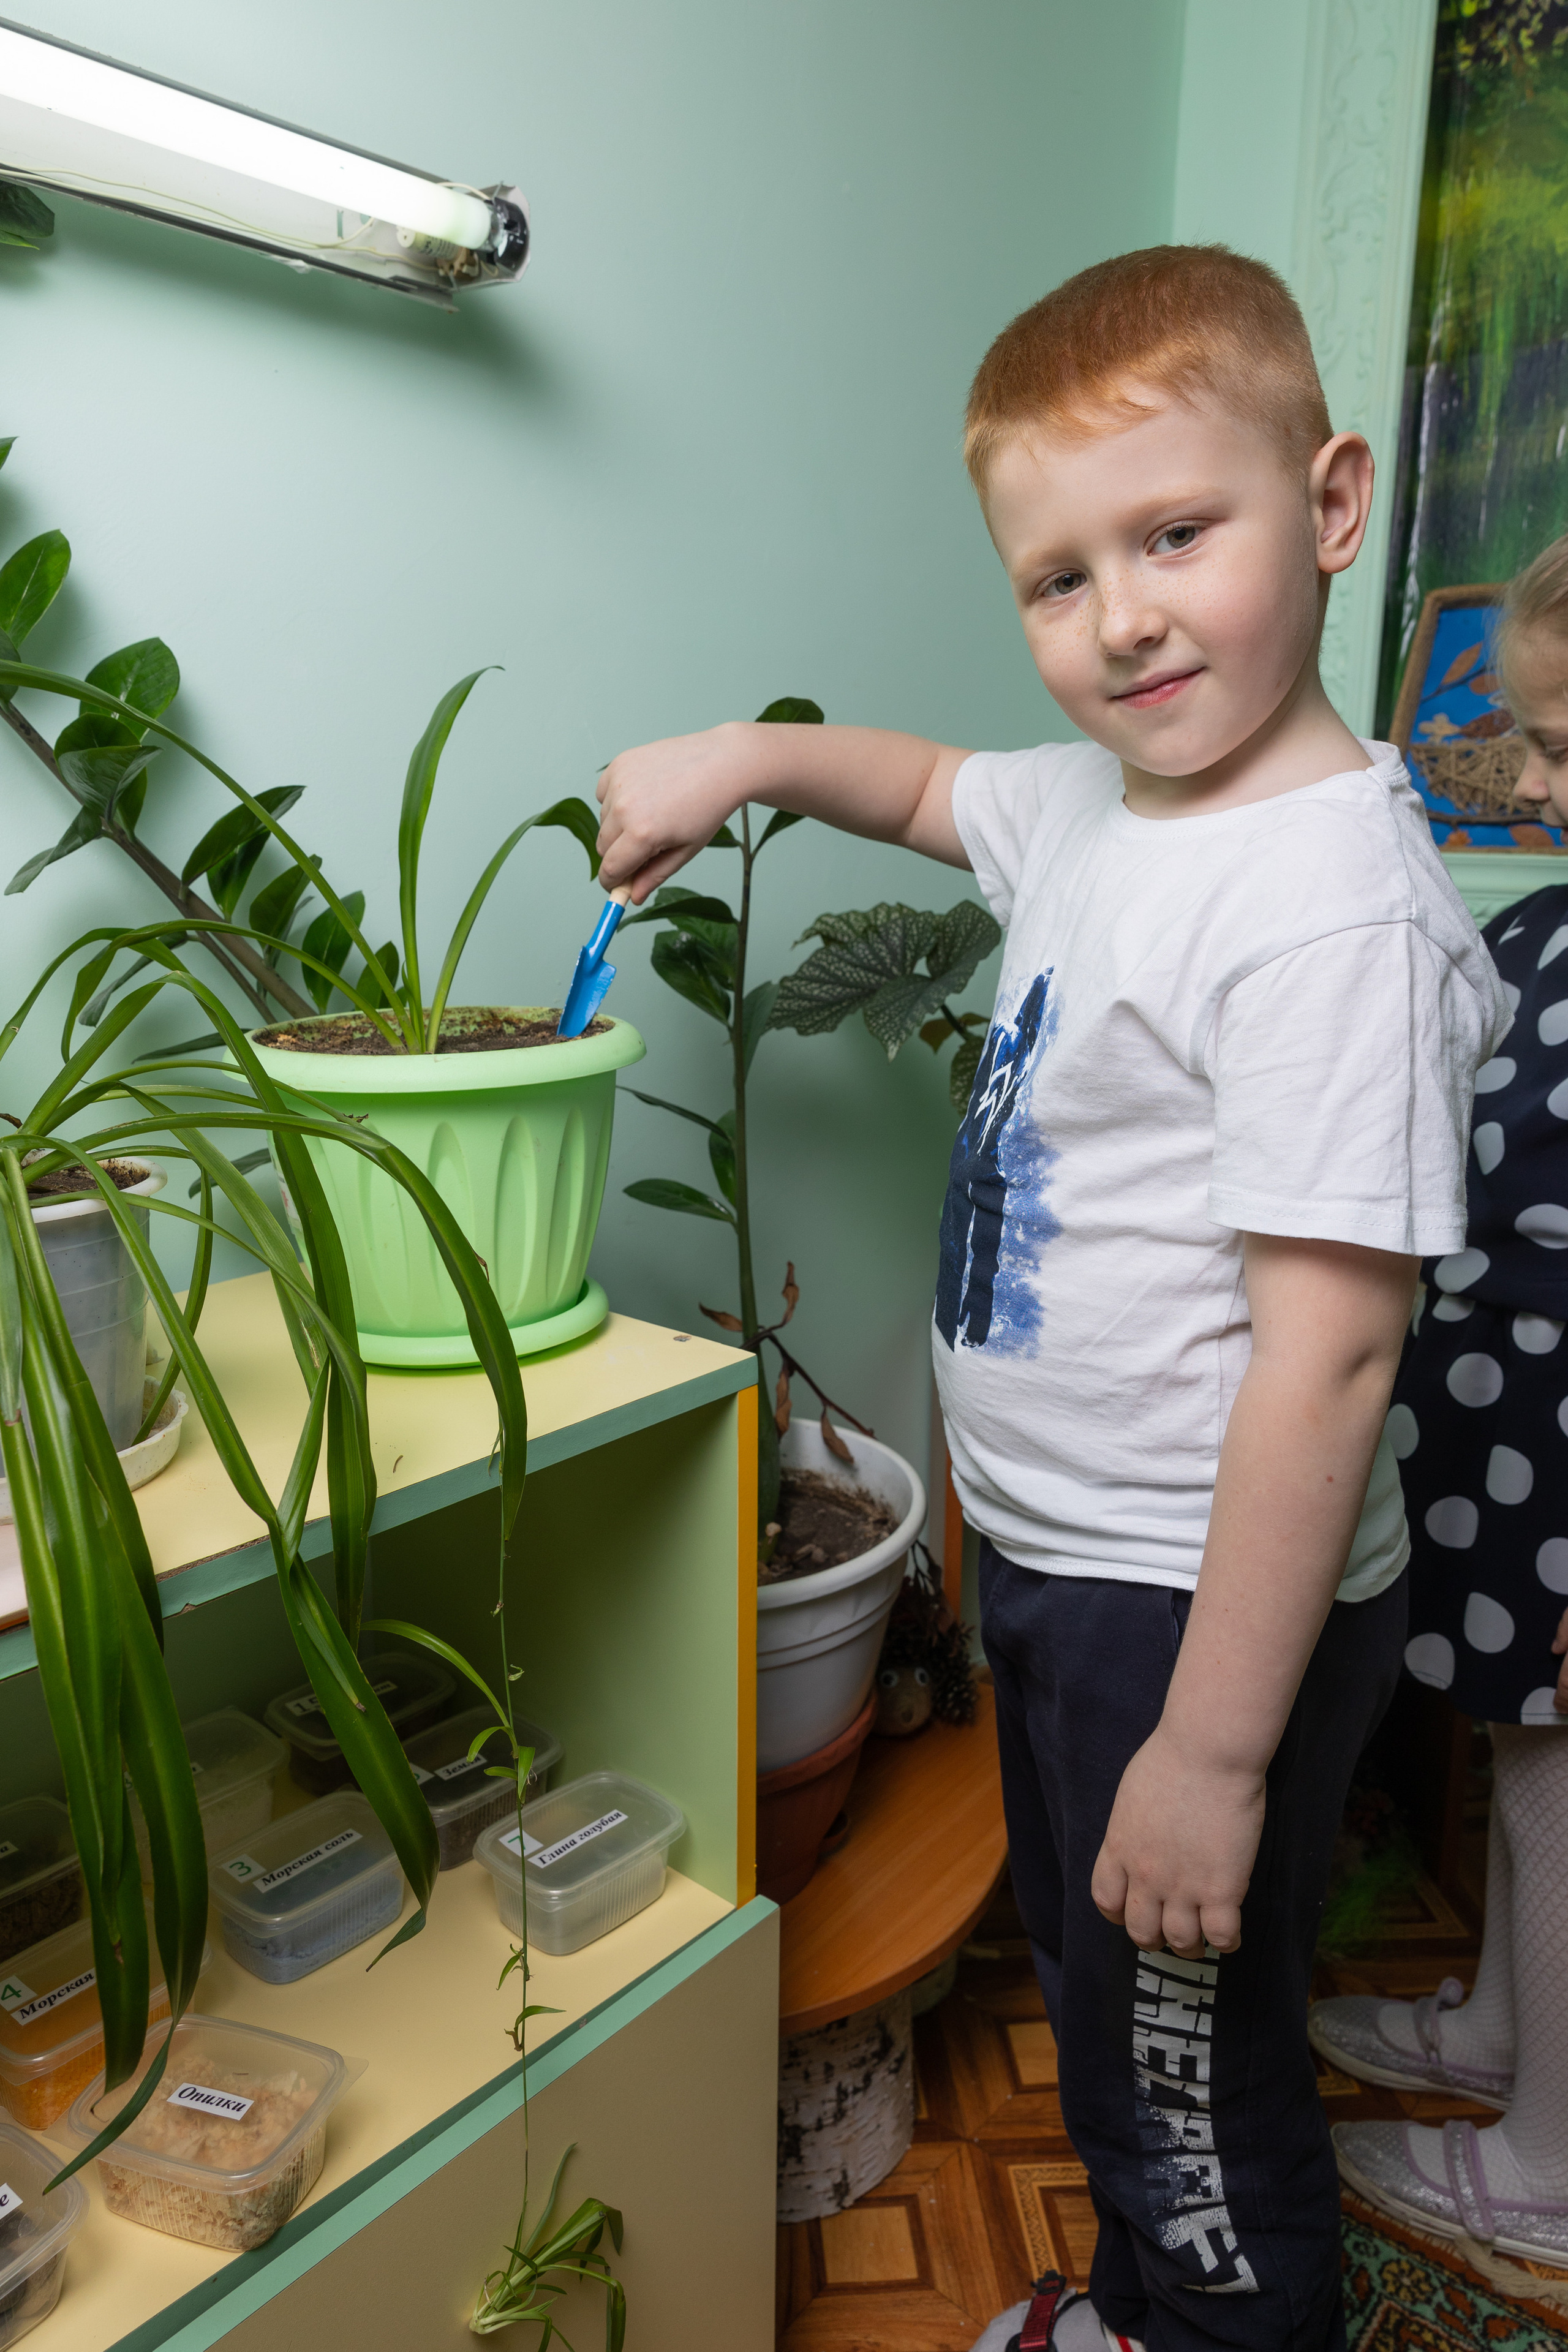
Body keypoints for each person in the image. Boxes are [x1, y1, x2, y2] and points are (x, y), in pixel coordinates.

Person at [595, 246, 1507, 2351]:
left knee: (1177, 2063)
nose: (1123, 618)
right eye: (1059, 574)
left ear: (1335, 502)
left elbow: (1336, 1351)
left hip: (1195, 1613)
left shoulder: (1323, 918)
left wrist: (1209, 1746)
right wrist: (744, 754)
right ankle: (1147, 2305)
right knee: (1124, 2005)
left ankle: (1202, 2325)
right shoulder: (1116, 807)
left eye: (1179, 533)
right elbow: (931, 790)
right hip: (1087, 1573)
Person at [1311, 537, 1568, 2271]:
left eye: (1558, 747)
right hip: (1503, 1448)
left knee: (1562, 1795)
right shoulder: (1552, 910)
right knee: (1518, 1760)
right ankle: (1495, 2024)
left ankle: (1550, 2166)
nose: (1531, 779)